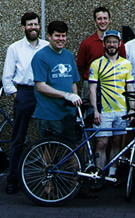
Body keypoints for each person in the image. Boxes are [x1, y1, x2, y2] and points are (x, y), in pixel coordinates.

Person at [2, 12, 49, 194]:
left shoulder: (46, 46)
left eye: (36, 24)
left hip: (44, 93)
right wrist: (17, 96)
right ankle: (13, 179)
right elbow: (7, 78)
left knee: (47, 134)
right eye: (29, 25)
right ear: (23, 27)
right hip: (24, 92)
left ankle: (47, 178)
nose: (33, 27)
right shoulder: (15, 48)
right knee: (18, 138)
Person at [89, 30, 135, 177]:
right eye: (108, 42)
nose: (111, 44)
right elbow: (92, 88)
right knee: (101, 144)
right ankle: (99, 174)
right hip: (104, 111)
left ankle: (112, 174)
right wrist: (95, 110)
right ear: (104, 44)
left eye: (114, 42)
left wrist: (132, 109)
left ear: (119, 44)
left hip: (121, 111)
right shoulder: (96, 64)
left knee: (116, 143)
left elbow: (130, 87)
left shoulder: (126, 64)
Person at [32, 20, 82, 148]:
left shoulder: (69, 55)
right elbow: (40, 86)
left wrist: (74, 101)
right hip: (49, 114)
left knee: (74, 148)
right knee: (50, 151)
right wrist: (66, 95)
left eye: (63, 36)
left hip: (68, 113)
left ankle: (74, 170)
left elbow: (73, 82)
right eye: (57, 36)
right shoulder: (40, 57)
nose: (61, 39)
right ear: (49, 36)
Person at [77, 6, 126, 101]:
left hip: (113, 84)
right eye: (99, 19)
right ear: (95, 21)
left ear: (110, 20)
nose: (102, 21)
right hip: (91, 84)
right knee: (91, 114)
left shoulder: (119, 44)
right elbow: (81, 66)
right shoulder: (87, 43)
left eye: (105, 18)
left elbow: (123, 62)